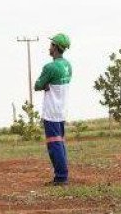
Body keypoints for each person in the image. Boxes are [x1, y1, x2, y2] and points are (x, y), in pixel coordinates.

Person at [34, 33, 72, 186]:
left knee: (54, 144)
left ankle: (61, 177)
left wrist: (44, 85)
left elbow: (37, 85)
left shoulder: (50, 67)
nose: (49, 47)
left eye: (51, 45)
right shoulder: (68, 65)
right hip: (62, 110)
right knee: (60, 142)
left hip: (51, 111)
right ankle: (61, 175)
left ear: (56, 47)